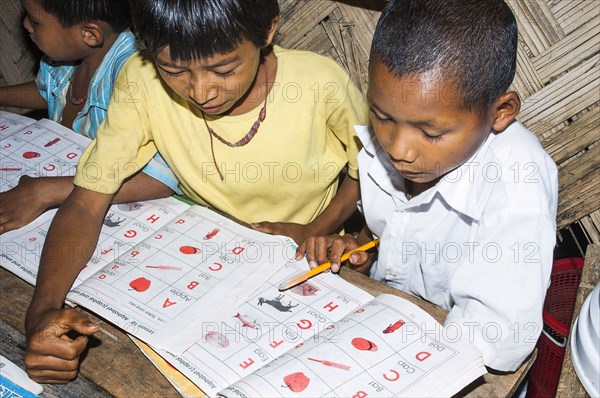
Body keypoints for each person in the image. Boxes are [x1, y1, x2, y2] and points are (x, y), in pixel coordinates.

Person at [24, 0, 368, 383]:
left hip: (314, 261)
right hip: (205, 262)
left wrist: (317, 226)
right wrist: (41, 312)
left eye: (224, 69)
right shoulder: (142, 81)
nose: (201, 91)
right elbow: (87, 202)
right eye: (173, 69)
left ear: (268, 32)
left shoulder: (319, 83)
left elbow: (365, 174)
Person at [300, 0, 558, 372]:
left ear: (499, 112)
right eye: (382, 116)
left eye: (431, 132)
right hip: (384, 323)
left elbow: (497, 340)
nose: (398, 149)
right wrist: (359, 252)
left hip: (449, 361)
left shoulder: (518, 179)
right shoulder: (395, 138)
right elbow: (388, 235)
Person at [0, 0, 178, 234]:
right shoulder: (64, 59)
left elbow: (161, 178)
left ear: (90, 34)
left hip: (127, 209)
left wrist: (44, 191)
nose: (26, 25)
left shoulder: (135, 78)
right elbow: (52, 93)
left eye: (34, 20)